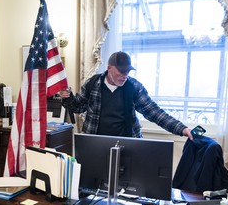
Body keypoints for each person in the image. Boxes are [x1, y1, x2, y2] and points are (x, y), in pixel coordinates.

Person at [59, 51, 193, 140]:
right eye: (121, 71)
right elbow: (77, 107)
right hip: (96, 142)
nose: (125, 76)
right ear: (109, 68)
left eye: (127, 71)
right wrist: (68, 97)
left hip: (128, 143)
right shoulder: (93, 83)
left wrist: (181, 128)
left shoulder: (134, 87)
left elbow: (154, 112)